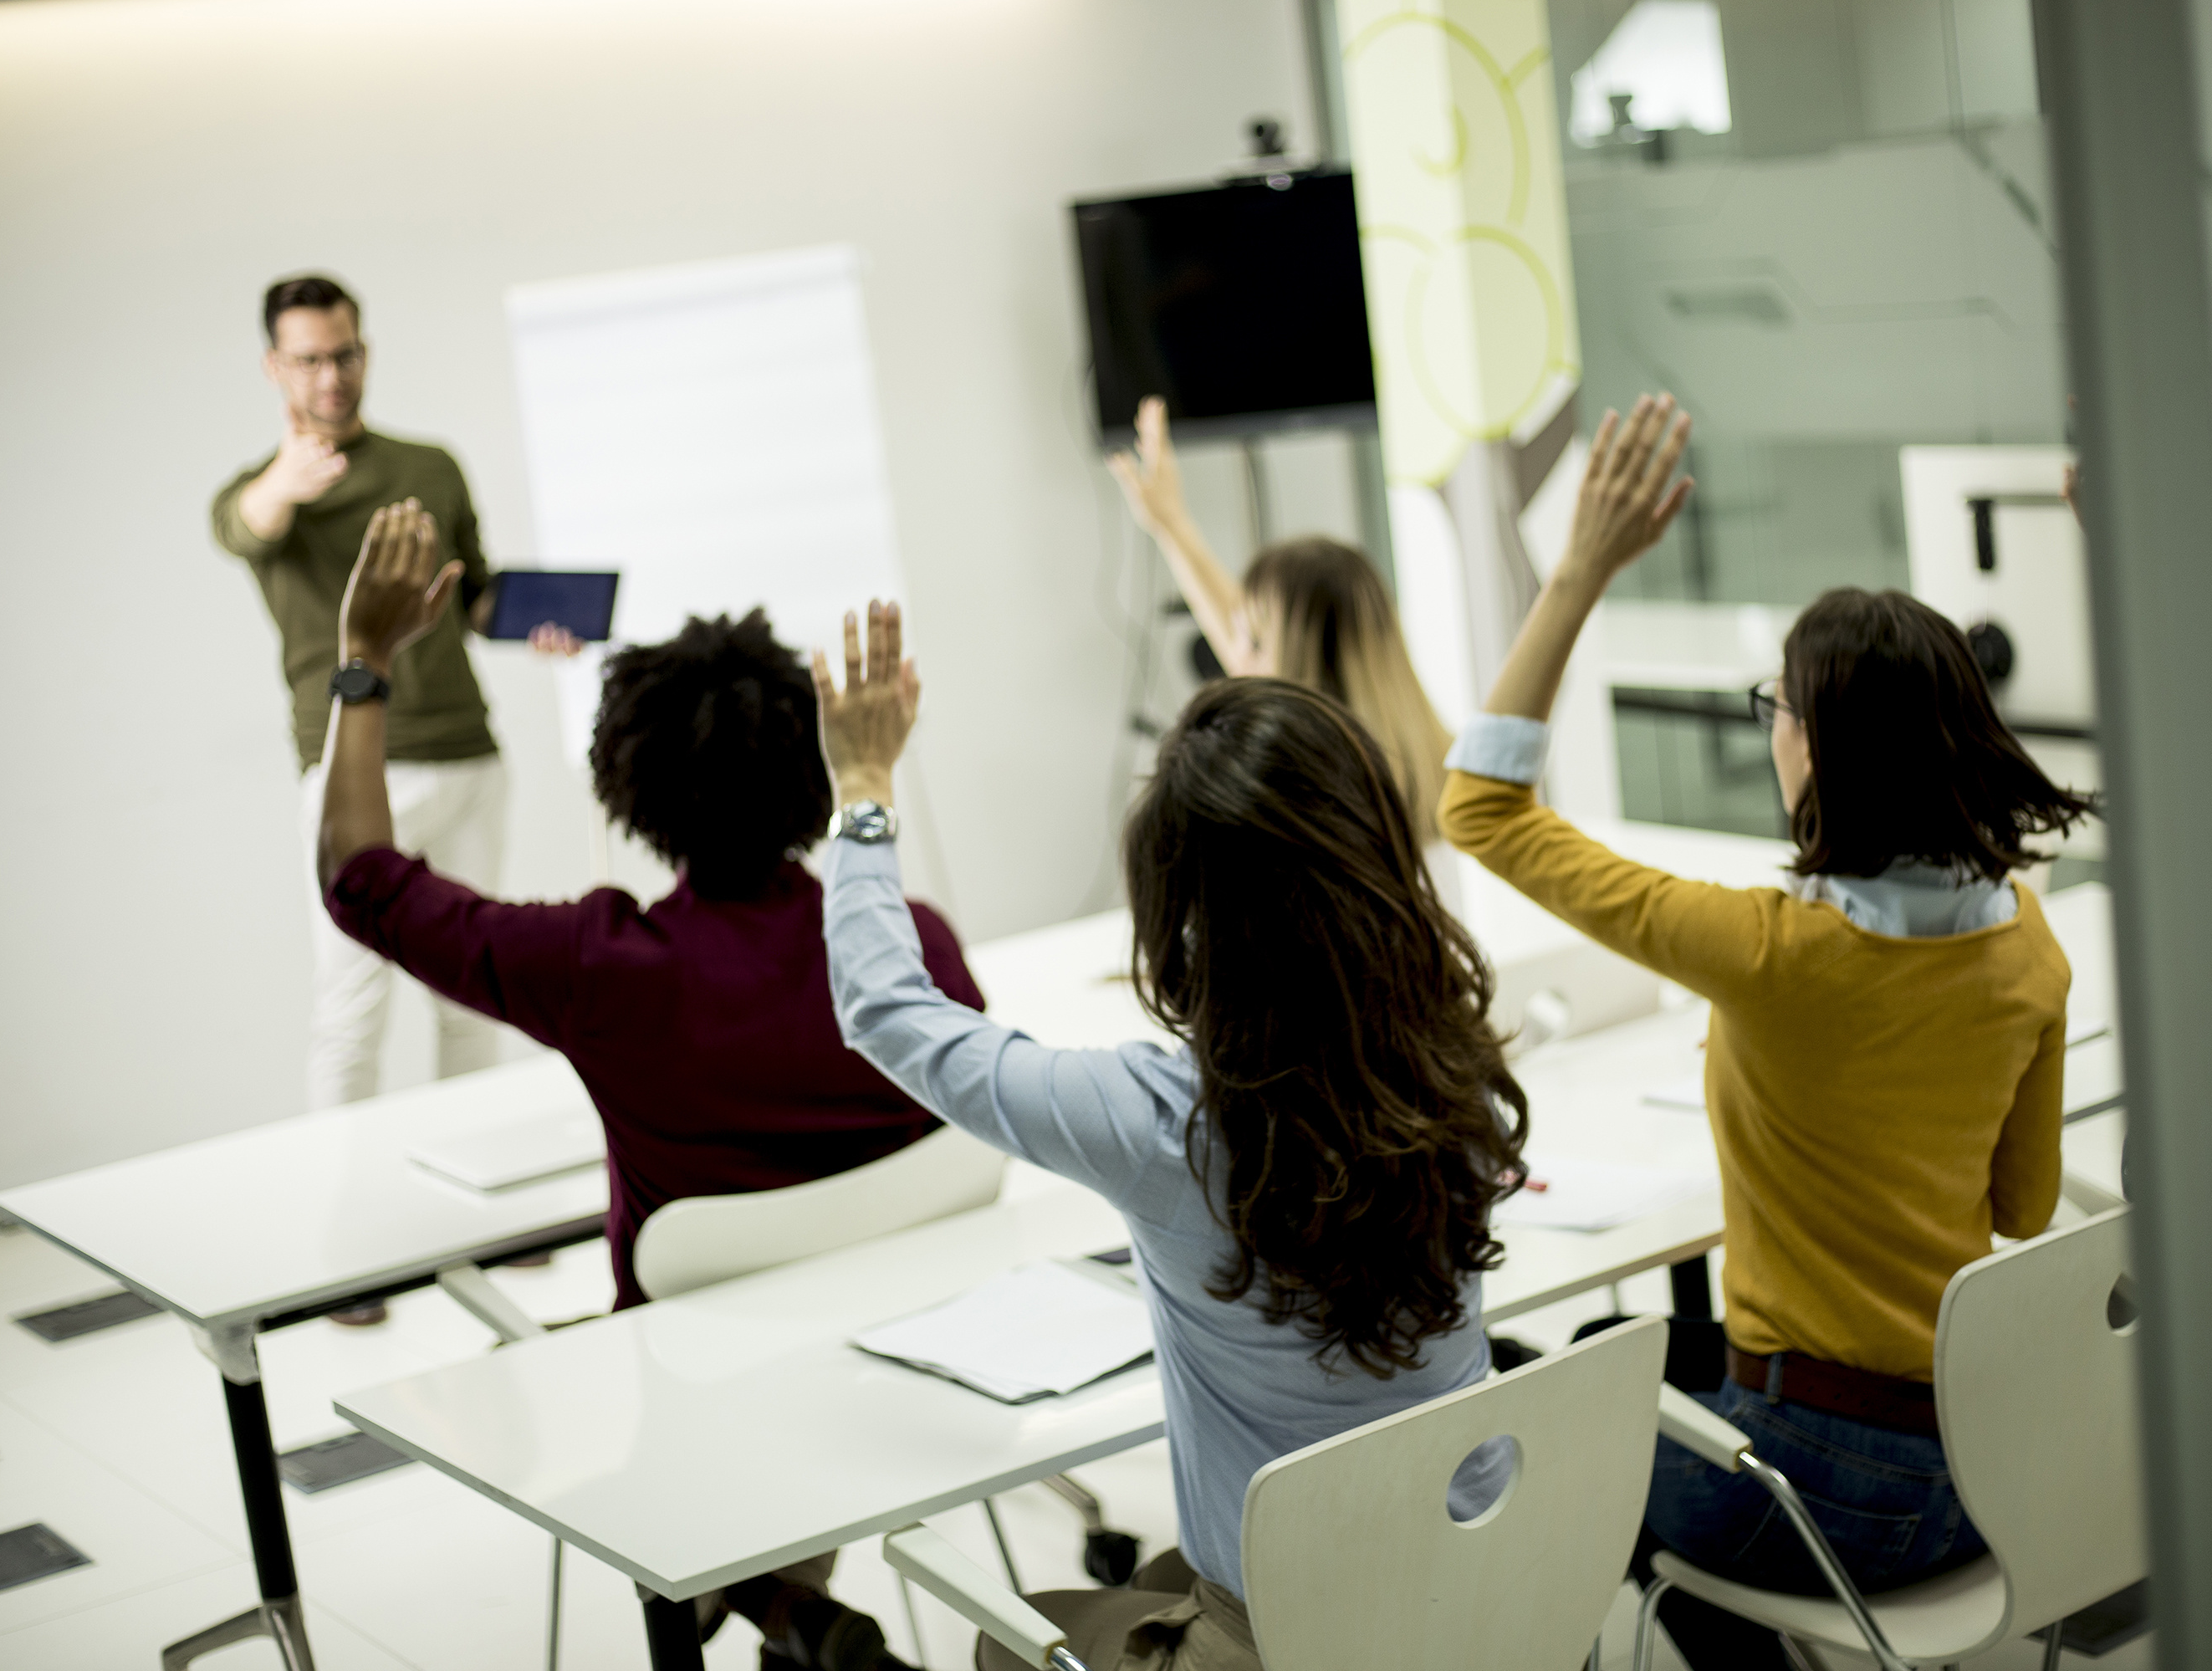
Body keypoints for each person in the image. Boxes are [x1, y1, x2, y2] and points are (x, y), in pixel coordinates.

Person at [1438, 396, 2097, 1671]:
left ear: (1819, 748)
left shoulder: (1766, 950)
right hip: (1989, 1457)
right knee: (1606, 1357)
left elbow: (1478, 807)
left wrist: (1575, 572)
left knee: (1554, 1440)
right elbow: (2017, 1209)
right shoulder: (2026, 943)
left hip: (1829, 1489)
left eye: (1775, 708)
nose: (1771, 731)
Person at [319, 507, 981, 1670]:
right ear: (816, 770)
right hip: (913, 1380)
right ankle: (790, 1610)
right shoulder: (913, 946)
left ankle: (777, 1607)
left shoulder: (599, 965)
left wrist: (362, 665)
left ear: (628, 783)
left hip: (695, 1398)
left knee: (624, 1403)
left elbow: (361, 883)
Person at [815, 600, 1526, 1671]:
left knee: (1011, 1638)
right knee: (1149, 1577)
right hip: (1485, 1596)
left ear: (1181, 910)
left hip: (1291, 1641)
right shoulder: (1454, 1063)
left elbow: (887, 1008)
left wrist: (864, 790)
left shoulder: (1163, 1122)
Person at [210, 273, 575, 1116]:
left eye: (343, 355)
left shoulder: (429, 465)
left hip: (468, 757)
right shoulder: (262, 495)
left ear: (364, 352)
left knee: (473, 998)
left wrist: (535, 621)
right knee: (351, 1010)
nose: (329, 376)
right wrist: (283, 482)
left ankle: (475, 1220)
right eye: (307, 360)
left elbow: (474, 593)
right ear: (275, 366)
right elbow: (242, 525)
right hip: (354, 771)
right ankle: (354, 1227)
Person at [1106, 396, 1452, 846]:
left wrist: (1172, 525)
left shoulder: (1301, 806)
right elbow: (1244, 636)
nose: (1232, 652)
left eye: (1253, 642)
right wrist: (1171, 523)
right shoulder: (1429, 769)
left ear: (1305, 669)